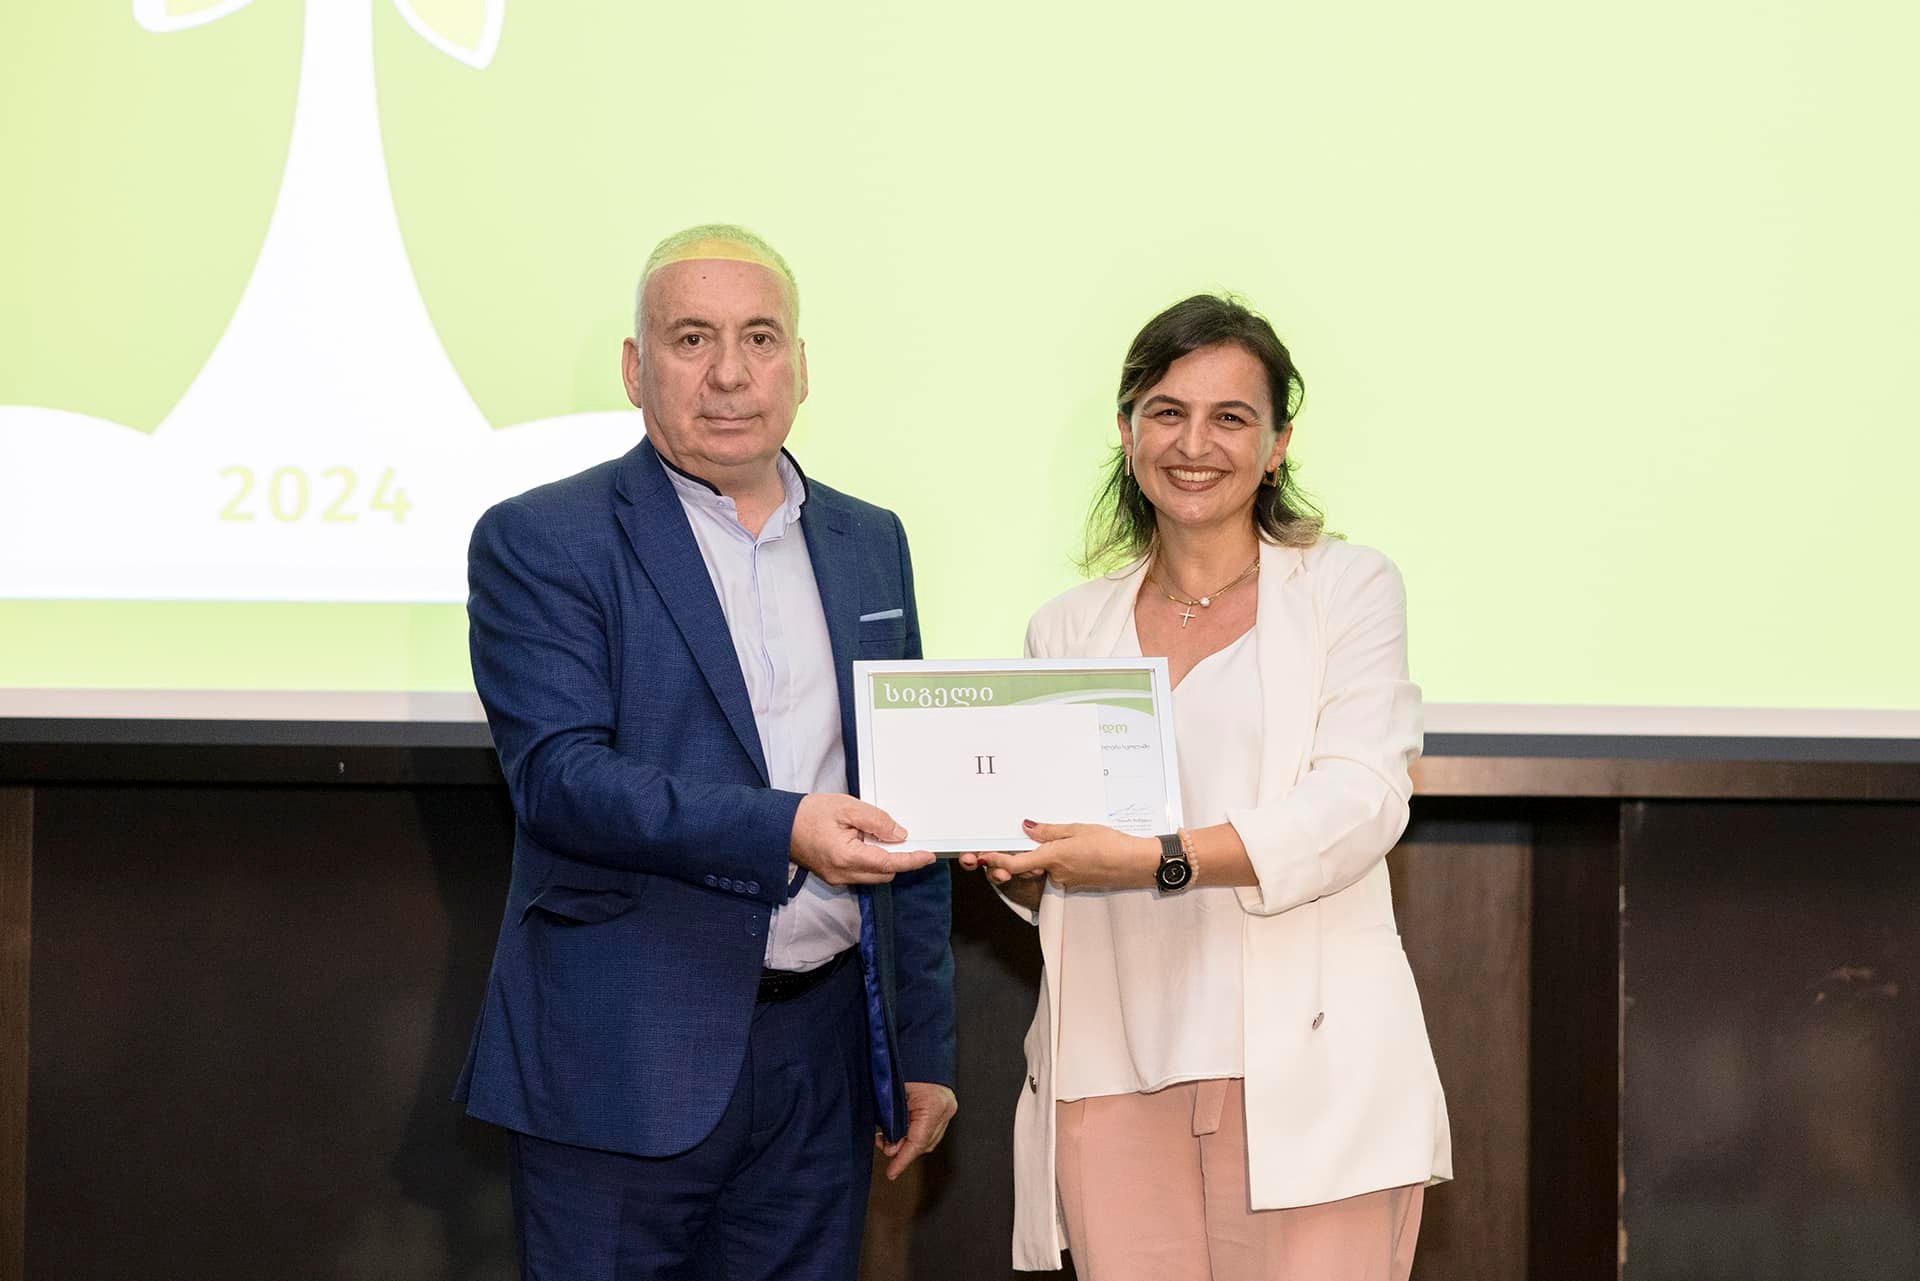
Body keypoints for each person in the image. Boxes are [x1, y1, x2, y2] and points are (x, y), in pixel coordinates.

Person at [455, 224, 957, 1281]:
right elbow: (560, 778)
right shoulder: (543, 538)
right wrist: (787, 828)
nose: (730, 373)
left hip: (822, 1061)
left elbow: (908, 794)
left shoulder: (871, 540)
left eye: (760, 338)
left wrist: (919, 1049)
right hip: (621, 1062)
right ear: (635, 369)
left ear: (801, 366)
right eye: (692, 339)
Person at [964, 294, 1450, 1280]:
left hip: (1307, 1067)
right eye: (1167, 412)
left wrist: (1158, 858)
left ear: (1277, 446)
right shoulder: (1066, 628)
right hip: (1111, 1068)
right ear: (1126, 430)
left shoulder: (1347, 590)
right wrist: (1020, 867)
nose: (1194, 445)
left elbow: (1360, 803)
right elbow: (1057, 868)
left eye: (1230, 417)